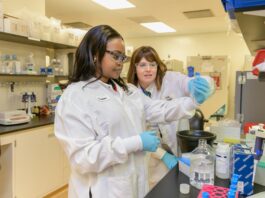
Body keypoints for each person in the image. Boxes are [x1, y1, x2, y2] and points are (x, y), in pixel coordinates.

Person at [54, 25, 200, 198]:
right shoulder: (76, 97)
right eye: (115, 55)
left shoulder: (127, 90)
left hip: (134, 185)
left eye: (122, 57)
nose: (120, 62)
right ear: (95, 53)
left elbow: (158, 109)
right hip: (103, 190)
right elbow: (84, 158)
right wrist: (136, 143)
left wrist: (193, 100)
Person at [127, 46, 214, 188]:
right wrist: (162, 155)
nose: (148, 69)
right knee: (157, 188)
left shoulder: (171, 79)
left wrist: (202, 84)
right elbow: (137, 134)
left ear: (158, 66)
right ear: (134, 68)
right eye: (143, 65)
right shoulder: (130, 93)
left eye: (152, 64)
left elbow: (191, 83)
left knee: (183, 185)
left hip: (178, 145)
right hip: (152, 154)